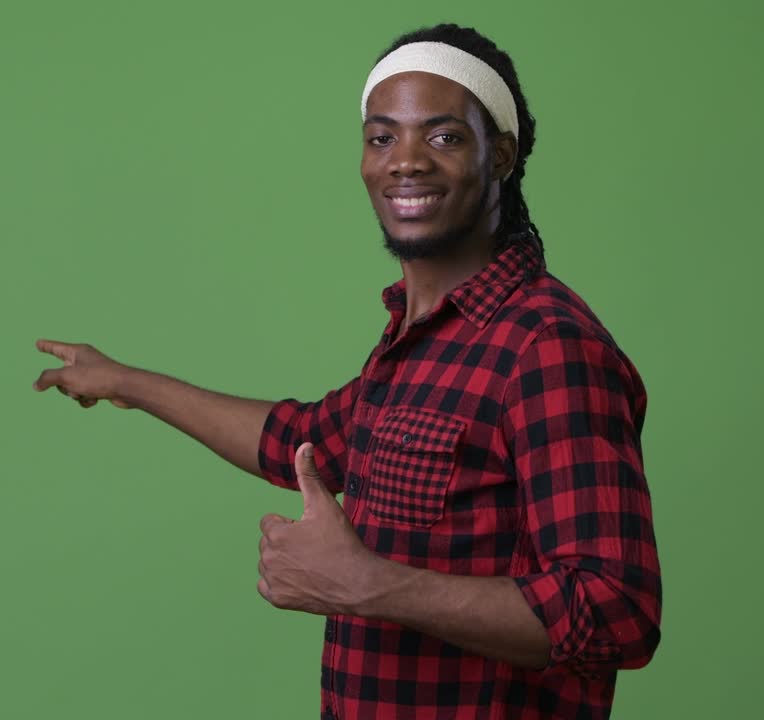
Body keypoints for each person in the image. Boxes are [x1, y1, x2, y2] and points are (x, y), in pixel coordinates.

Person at [32, 22, 661, 719]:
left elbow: (617, 611)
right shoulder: (421, 341)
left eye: (444, 136)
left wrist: (367, 584)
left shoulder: (547, 346)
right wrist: (123, 381)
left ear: (502, 156)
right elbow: (298, 439)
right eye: (382, 137)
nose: (406, 162)